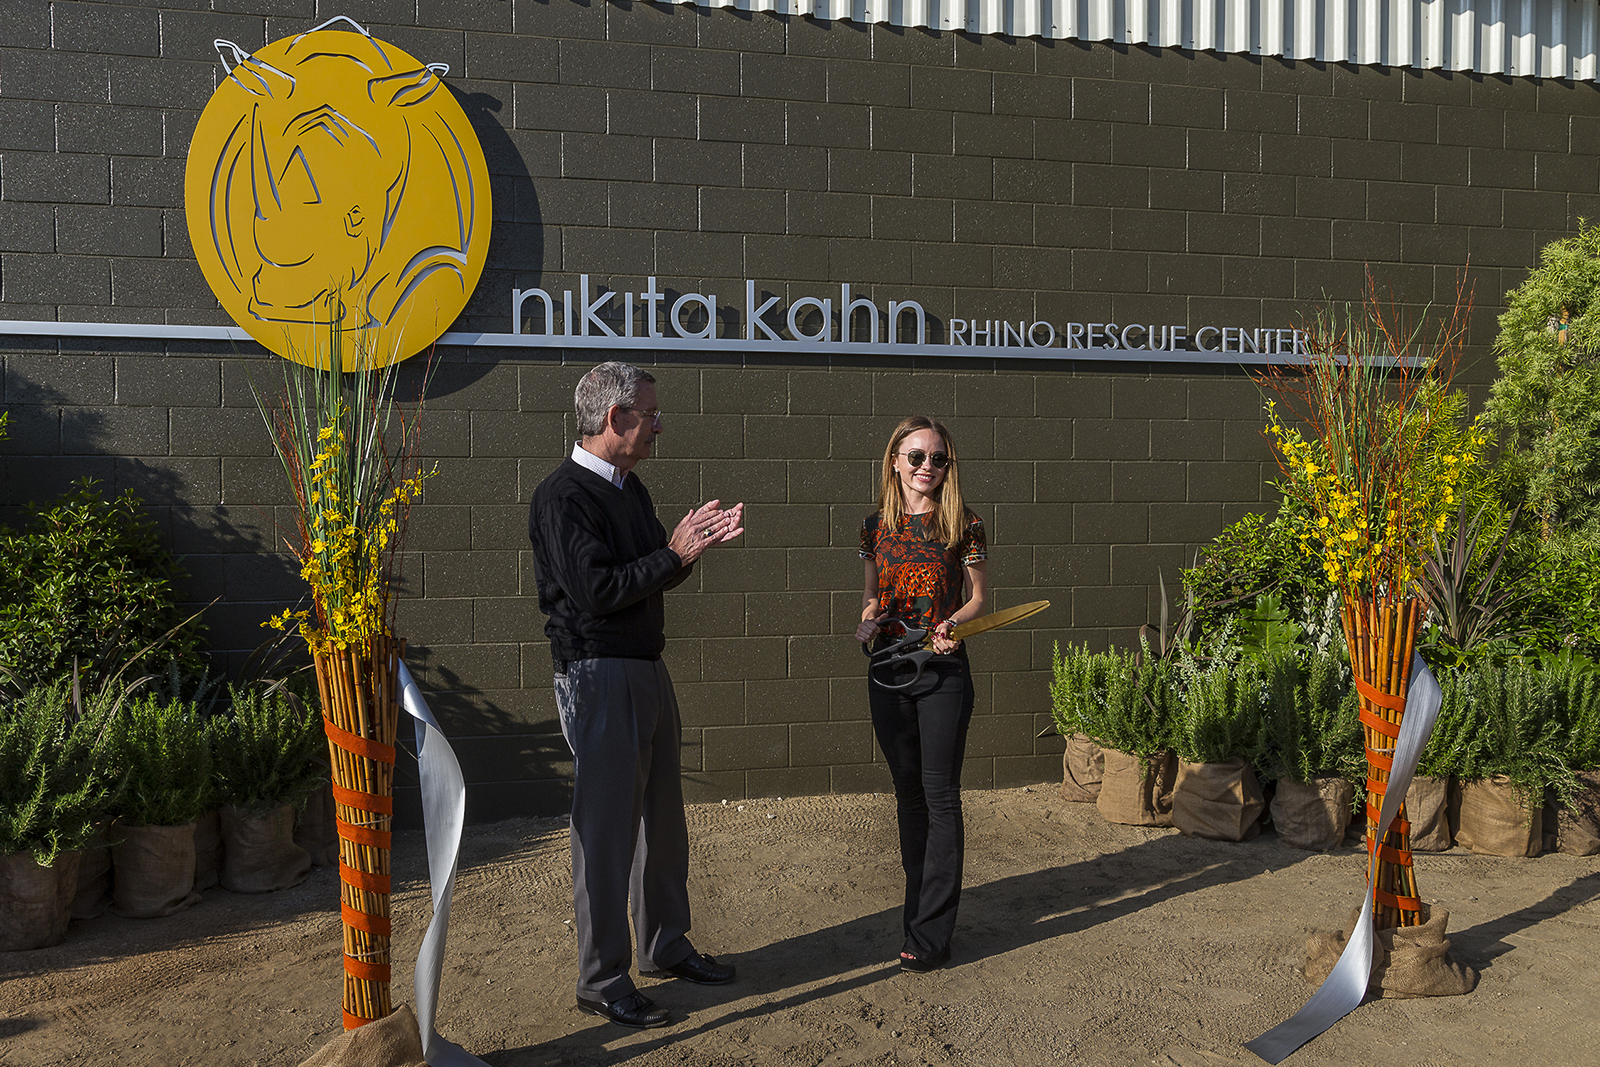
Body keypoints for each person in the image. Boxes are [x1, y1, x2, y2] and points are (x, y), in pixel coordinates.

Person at [528, 361, 745, 1029]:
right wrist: (672, 555)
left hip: (644, 669)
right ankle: (601, 978)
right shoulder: (563, 496)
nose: (659, 423)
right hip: (598, 675)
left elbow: (647, 574)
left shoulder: (630, 488)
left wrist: (686, 547)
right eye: (649, 413)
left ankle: (664, 945)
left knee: (661, 823)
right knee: (606, 831)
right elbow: (596, 591)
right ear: (615, 418)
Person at [854, 415, 988, 973]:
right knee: (907, 797)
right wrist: (866, 620)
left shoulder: (964, 524)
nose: (926, 468)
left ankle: (932, 935)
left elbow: (979, 598)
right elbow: (869, 596)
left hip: (942, 675)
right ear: (895, 462)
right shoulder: (874, 527)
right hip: (888, 670)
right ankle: (916, 915)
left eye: (937, 459)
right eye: (916, 457)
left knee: (939, 797)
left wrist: (951, 623)